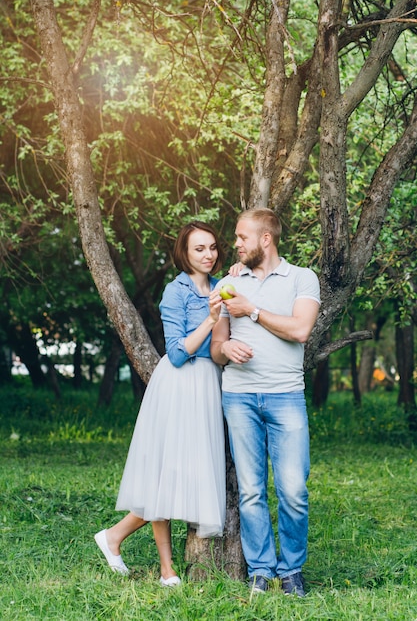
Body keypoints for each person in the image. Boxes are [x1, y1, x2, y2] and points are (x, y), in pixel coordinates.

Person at [95, 221, 227, 587]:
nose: (209, 255)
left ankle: (114, 537)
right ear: (184, 253)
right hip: (179, 384)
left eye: (213, 247)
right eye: (199, 248)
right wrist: (212, 320)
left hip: (209, 385)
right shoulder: (175, 291)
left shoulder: (221, 288)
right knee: (166, 474)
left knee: (187, 474)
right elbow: (176, 353)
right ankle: (166, 567)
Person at [210, 208, 320, 598]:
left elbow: (301, 329)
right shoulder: (228, 282)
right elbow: (217, 349)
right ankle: (260, 570)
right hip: (238, 398)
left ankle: (291, 571)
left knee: (292, 489)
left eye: (242, 237)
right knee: (252, 490)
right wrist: (227, 345)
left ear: (265, 239)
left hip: (286, 396)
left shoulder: (302, 278)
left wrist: (251, 311)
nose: (236, 244)